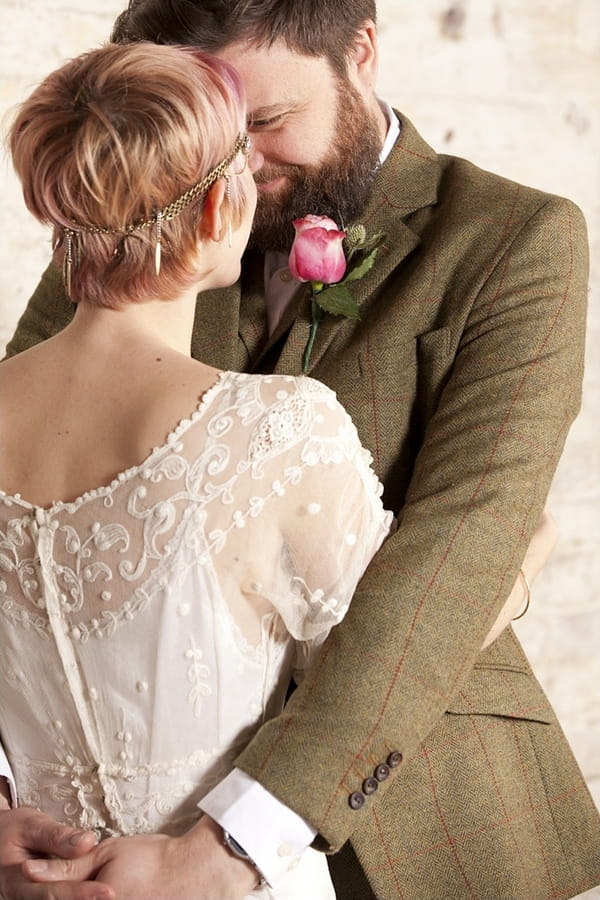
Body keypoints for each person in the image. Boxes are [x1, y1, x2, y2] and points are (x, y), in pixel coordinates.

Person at [2, 1, 599, 898]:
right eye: (203, 134)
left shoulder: (515, 238)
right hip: (102, 845)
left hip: (421, 818)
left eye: (266, 123)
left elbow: (459, 544)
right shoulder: (138, 210)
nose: (232, 163)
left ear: (361, 53)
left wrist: (228, 849)